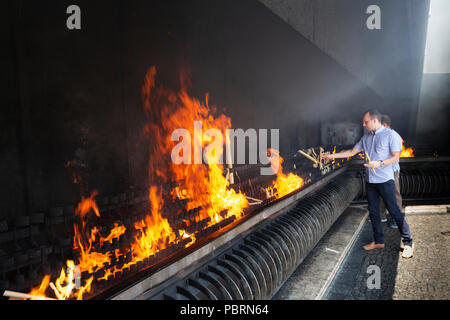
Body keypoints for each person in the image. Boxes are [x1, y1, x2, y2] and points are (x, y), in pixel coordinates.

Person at [323, 109, 414, 258]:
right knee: (373, 212)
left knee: (394, 211)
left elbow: (395, 158)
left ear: (375, 120)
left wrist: (379, 163)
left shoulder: (391, 135)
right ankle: (378, 240)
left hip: (385, 181)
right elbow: (351, 152)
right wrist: (330, 156)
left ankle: (408, 242)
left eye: (366, 122)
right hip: (370, 181)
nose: (363, 124)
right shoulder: (366, 138)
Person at [380, 114, 402, 229]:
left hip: (392, 170)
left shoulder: (394, 136)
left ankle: (397, 219)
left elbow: (395, 157)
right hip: (382, 171)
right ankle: (382, 215)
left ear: (384, 125)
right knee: (381, 193)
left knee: (394, 194)